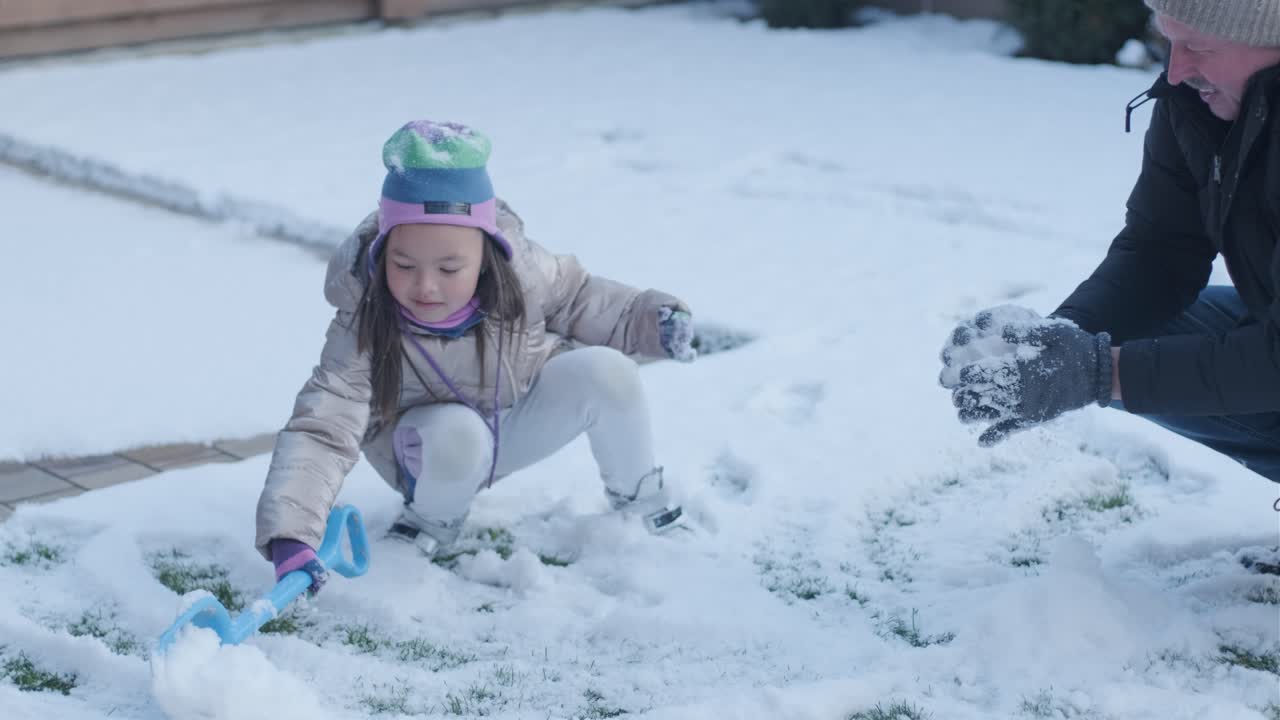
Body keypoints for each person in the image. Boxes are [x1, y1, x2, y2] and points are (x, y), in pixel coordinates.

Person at [255, 120, 696, 593]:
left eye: (449, 268)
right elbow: (321, 429)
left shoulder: (523, 273)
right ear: (382, 253)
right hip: (429, 454)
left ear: (486, 254)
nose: (425, 286)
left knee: (609, 372)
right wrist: (290, 534)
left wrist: (651, 320)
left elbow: (582, 298)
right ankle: (430, 520)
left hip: (513, 419)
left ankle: (642, 504)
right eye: (403, 265)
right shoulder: (364, 323)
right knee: (458, 434)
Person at [939, 0, 1280, 490]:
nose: (1178, 69)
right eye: (1171, 42)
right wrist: (1055, 345)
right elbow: (1159, 250)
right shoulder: (1194, 99)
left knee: (1128, 364)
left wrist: (1098, 372)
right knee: (1144, 339)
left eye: (1200, 46)